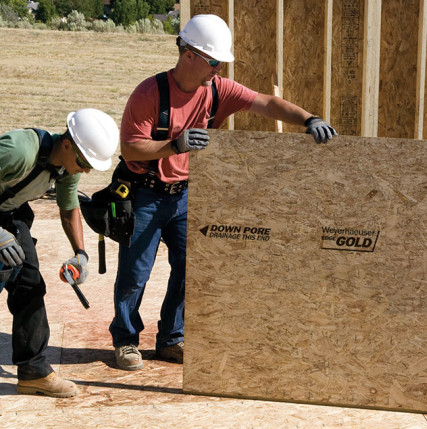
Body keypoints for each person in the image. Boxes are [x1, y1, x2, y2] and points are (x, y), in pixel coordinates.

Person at [110, 13, 337, 371]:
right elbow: (131, 149)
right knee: (135, 272)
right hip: (145, 195)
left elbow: (266, 103)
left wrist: (309, 119)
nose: (219, 69)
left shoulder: (218, 90)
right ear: (189, 56)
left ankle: (172, 338)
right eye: (214, 61)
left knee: (190, 268)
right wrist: (174, 145)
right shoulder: (150, 93)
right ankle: (125, 341)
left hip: (185, 196)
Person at [0, 108, 119, 397]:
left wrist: (81, 254)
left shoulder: (66, 167)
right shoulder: (18, 151)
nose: (86, 170)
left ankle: (33, 372)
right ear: (66, 144)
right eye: (84, 161)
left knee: (29, 284)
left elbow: (68, 209)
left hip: (9, 215)